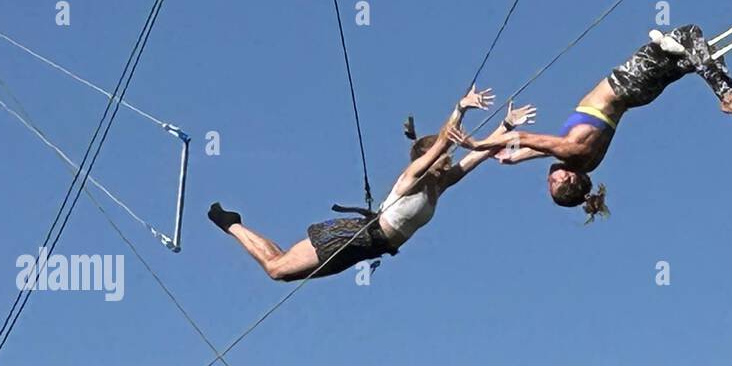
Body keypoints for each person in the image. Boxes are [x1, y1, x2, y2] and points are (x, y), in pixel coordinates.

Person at [207, 87, 536, 280]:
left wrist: (506, 126)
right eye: (440, 158)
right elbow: (444, 144)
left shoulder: (440, 186)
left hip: (371, 247)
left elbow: (475, 156)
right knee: (278, 269)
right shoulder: (411, 179)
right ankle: (231, 224)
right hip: (357, 235)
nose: (448, 161)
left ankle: (234, 224)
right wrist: (460, 108)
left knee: (283, 271)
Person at [447, 24, 732, 220]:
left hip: (640, 94)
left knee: (696, 52)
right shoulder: (573, 153)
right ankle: (728, 97)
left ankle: (728, 94)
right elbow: (533, 138)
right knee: (688, 34)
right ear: (571, 181)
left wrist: (514, 157)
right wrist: (479, 144)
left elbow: (546, 150)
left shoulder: (585, 160)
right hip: (627, 83)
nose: (549, 179)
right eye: (554, 183)